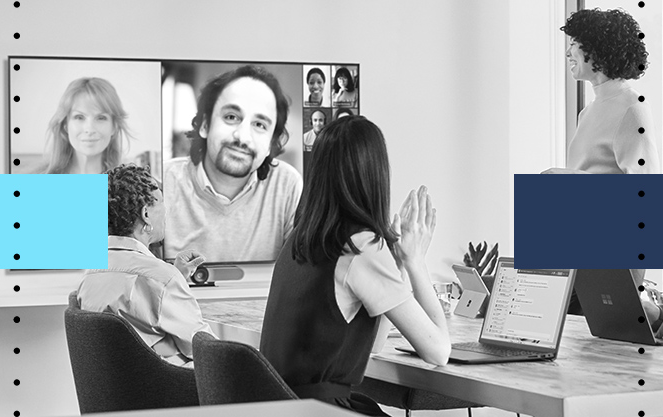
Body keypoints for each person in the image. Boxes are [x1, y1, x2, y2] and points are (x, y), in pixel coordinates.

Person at [260, 116, 450, 416]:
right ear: (375, 173)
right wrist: (416, 262)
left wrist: (397, 263)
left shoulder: (301, 239)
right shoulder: (359, 246)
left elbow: (372, 346)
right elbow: (438, 351)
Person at [543, 9, 661, 314]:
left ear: (598, 48)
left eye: (575, 43)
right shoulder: (590, 111)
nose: (568, 51)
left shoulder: (632, 108)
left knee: (607, 345)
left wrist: (568, 179)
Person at [78, 164, 215, 367]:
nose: (166, 210)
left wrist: (173, 275)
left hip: (125, 389)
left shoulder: (90, 274)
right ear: (146, 214)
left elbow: (140, 319)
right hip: (174, 387)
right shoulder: (161, 279)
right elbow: (205, 350)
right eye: (161, 201)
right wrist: (169, 279)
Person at [163, 65, 303, 262]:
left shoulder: (287, 186)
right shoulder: (161, 182)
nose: (242, 137)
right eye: (231, 117)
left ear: (271, 142)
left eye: (260, 125)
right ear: (205, 125)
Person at [39, 77, 132, 174]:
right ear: (65, 125)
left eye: (101, 118)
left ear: (114, 126)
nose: (90, 129)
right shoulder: (35, 185)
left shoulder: (131, 186)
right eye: (79, 117)